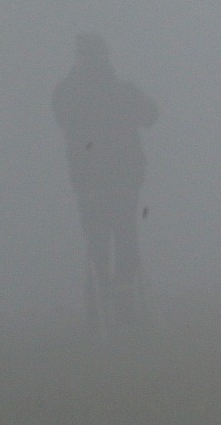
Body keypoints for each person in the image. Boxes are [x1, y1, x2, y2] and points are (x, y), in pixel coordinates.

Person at [52, 34, 158, 327]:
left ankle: (99, 314)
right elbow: (151, 115)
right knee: (125, 239)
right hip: (121, 180)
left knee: (98, 244)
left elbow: (59, 111)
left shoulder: (71, 93)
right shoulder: (121, 92)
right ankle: (123, 311)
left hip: (91, 183)